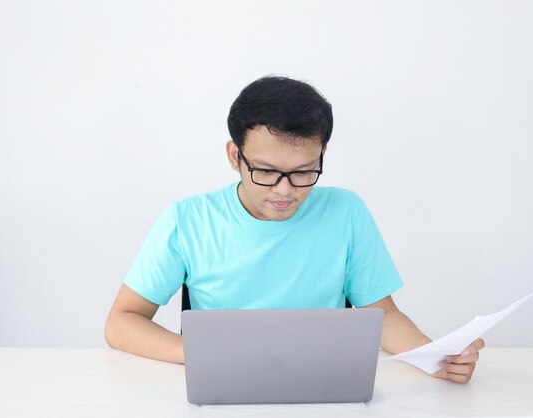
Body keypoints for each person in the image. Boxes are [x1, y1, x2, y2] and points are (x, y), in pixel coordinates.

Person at [105, 75, 484, 383]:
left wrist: (435, 355)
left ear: (321, 156)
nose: (285, 191)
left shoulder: (346, 211)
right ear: (235, 156)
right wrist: (194, 354)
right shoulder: (187, 220)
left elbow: (382, 315)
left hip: (326, 384)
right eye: (266, 172)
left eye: (304, 172)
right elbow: (121, 322)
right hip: (224, 384)